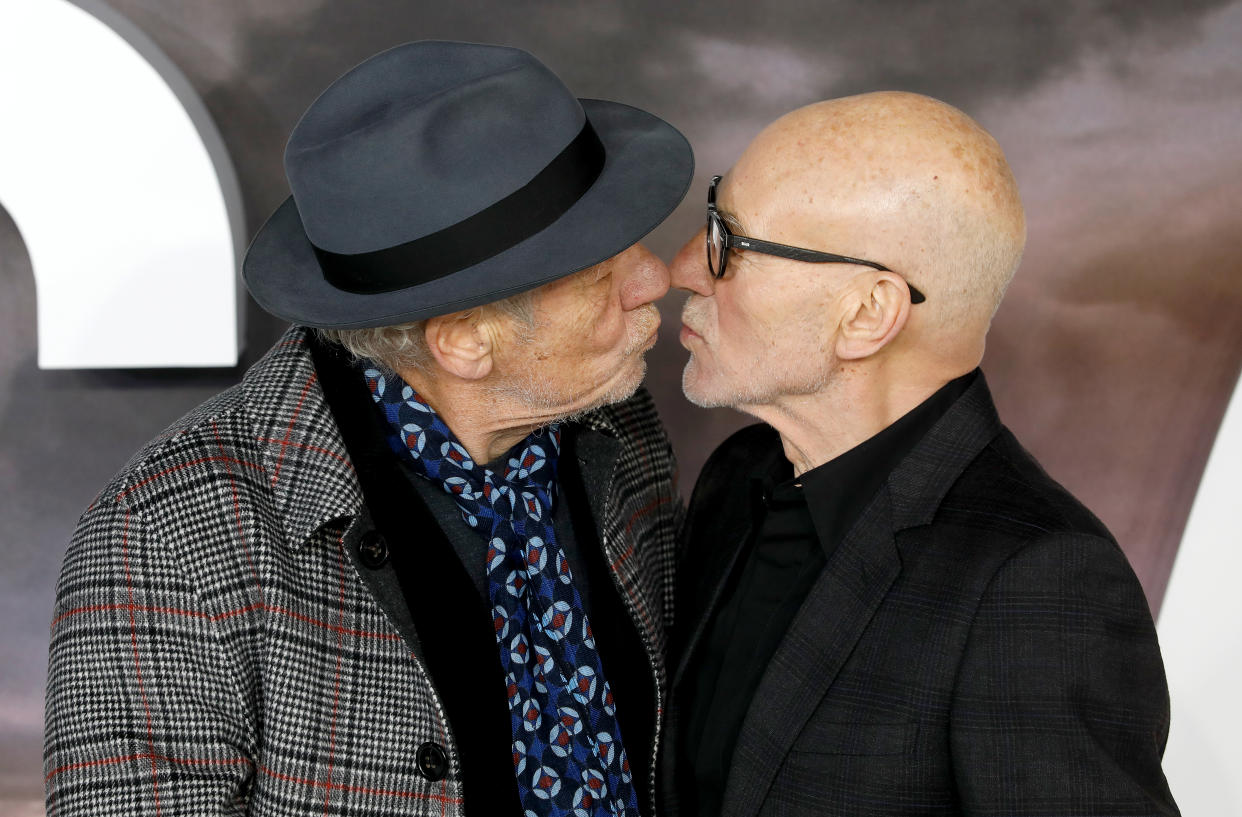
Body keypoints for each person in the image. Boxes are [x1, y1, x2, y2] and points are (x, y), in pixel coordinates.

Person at [44, 41, 693, 817]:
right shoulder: (165, 539)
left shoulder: (617, 421)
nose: (658, 277)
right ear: (464, 342)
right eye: (600, 274)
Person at [661, 92, 1178, 816]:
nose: (683, 267)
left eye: (729, 241)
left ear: (868, 313)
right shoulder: (739, 476)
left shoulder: (1034, 584)